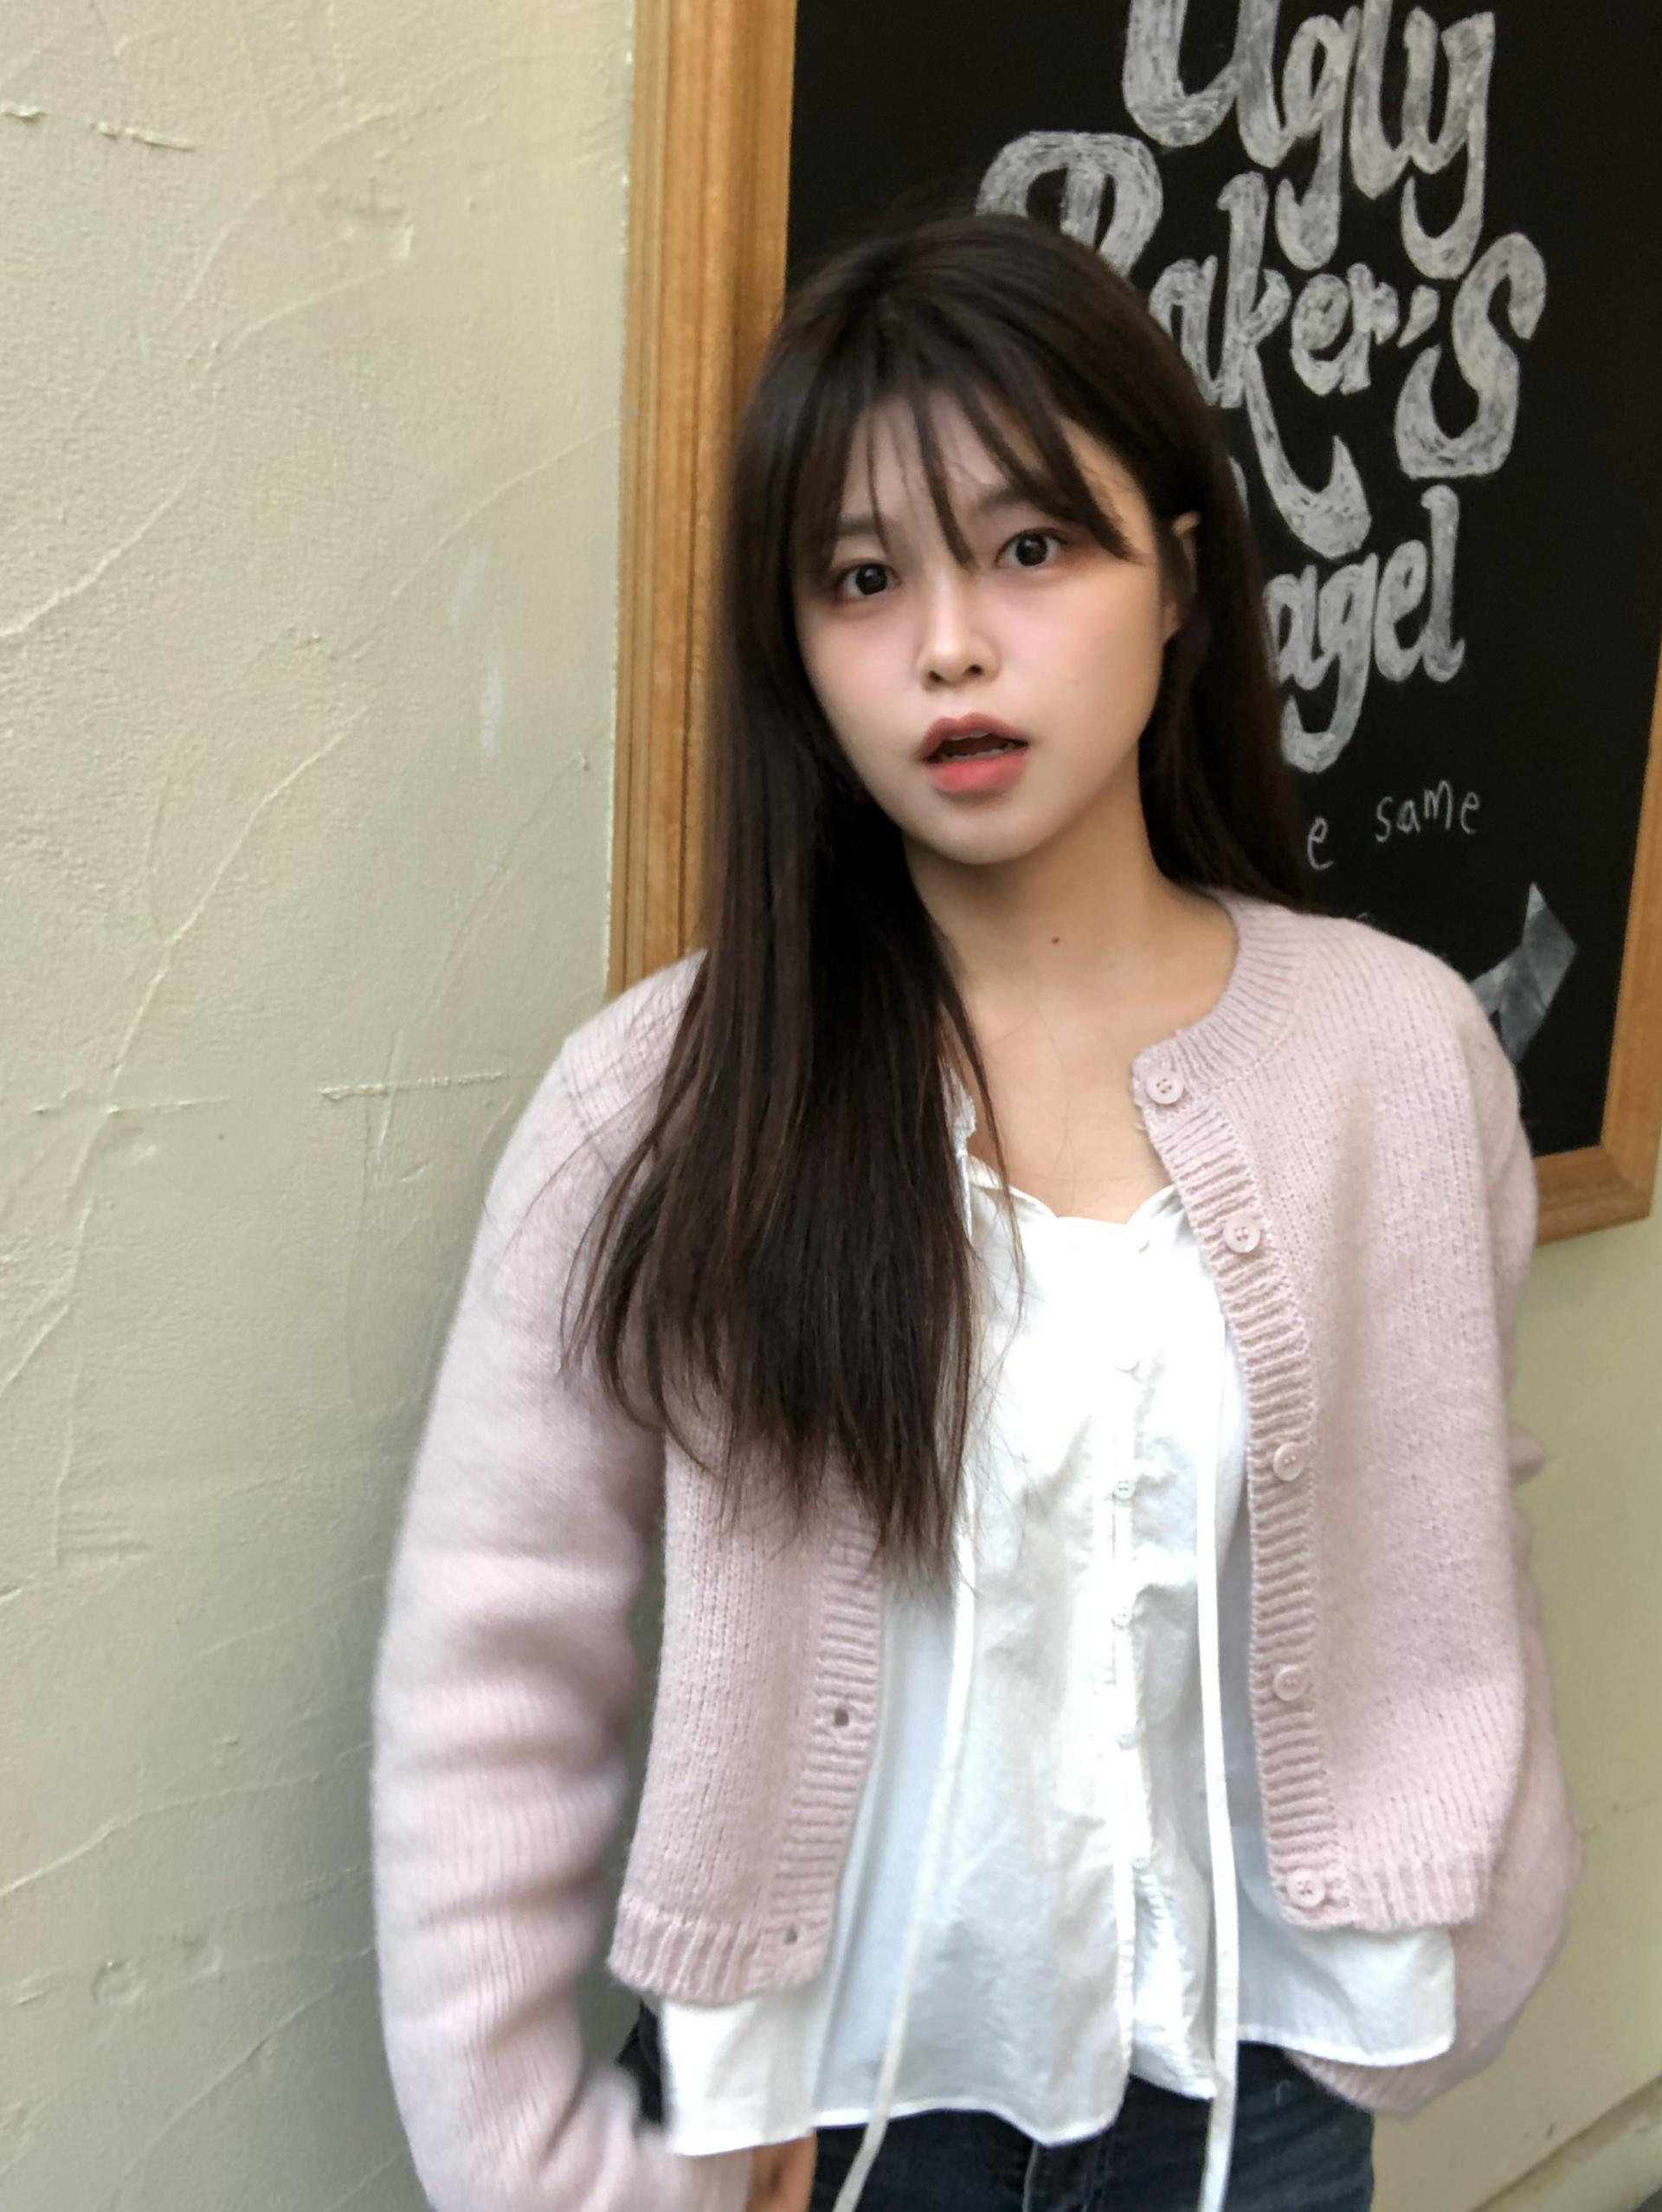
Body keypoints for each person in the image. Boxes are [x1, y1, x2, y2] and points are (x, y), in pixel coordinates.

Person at [369, 212, 1583, 2212]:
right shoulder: (667, 1096)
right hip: (794, 2132)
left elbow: (1449, 1516)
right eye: (863, 579)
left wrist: (1487, 1899)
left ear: (1179, 575)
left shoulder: (1397, 1051)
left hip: (1256, 2116)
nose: (948, 646)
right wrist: (544, 2170)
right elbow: (492, 1666)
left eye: (1031, 547)